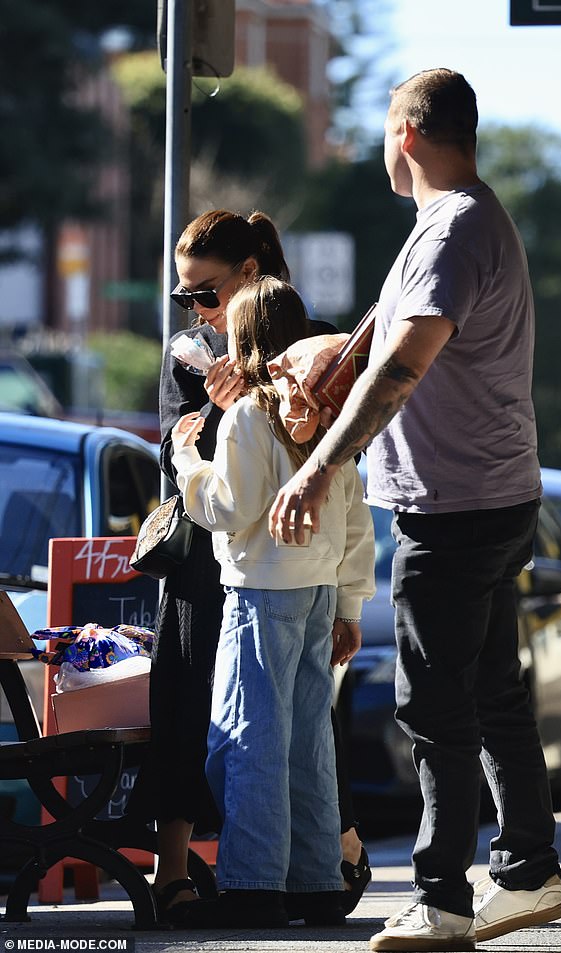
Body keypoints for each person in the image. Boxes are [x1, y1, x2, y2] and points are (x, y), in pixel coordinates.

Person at [268, 68, 561, 951]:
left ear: (406, 131)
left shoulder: (456, 230)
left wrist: (316, 470)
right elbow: (378, 337)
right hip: (491, 493)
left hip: (452, 506)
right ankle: (528, 870)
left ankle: (441, 895)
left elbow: (402, 367)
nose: (378, 144)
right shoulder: (450, 223)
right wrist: (307, 363)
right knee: (492, 688)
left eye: (381, 129)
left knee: (434, 703)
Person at [126, 209, 371, 926]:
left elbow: (219, 496)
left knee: (247, 736)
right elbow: (354, 514)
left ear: (249, 281)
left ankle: (258, 880)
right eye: (185, 298)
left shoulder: (276, 393)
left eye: (206, 294)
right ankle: (314, 875)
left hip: (251, 585)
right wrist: (352, 600)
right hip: (298, 584)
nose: (197, 311)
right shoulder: (309, 406)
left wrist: (197, 447)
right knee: (299, 734)